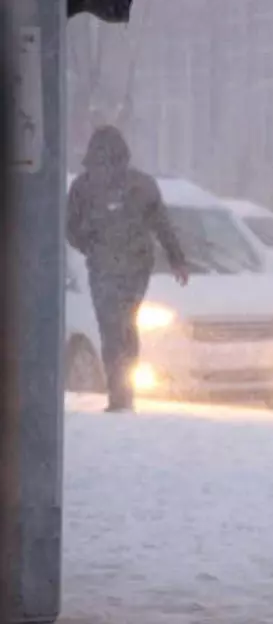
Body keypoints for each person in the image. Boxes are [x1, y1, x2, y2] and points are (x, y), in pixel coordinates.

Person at [66, 126, 188, 413]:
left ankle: (120, 392)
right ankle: (123, 390)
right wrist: (176, 259)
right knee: (123, 325)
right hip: (133, 267)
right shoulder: (140, 185)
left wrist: (90, 244)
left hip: (110, 268)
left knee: (113, 327)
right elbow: (162, 225)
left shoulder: (84, 186)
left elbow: (70, 228)